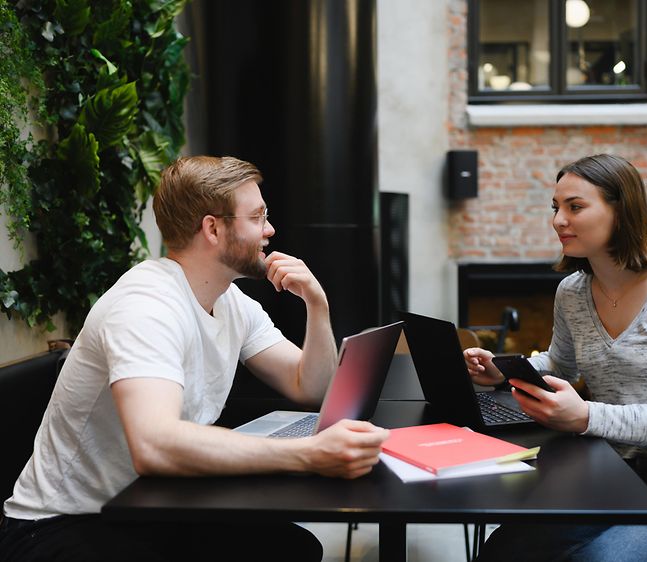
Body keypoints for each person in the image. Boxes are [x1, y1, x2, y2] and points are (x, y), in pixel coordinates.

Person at [0, 156, 390, 561]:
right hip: (62, 526)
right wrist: (309, 454)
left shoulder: (231, 300)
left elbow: (311, 387)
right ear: (213, 228)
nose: (270, 230)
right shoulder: (145, 306)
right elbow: (154, 445)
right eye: (257, 217)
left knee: (293, 547)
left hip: (152, 505)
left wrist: (317, 304)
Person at [464, 154, 647, 561]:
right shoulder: (573, 291)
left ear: (622, 210)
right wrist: (502, 371)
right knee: (505, 549)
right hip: (624, 472)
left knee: (603, 559)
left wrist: (585, 417)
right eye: (556, 207)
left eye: (575, 207)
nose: (558, 220)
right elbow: (561, 364)